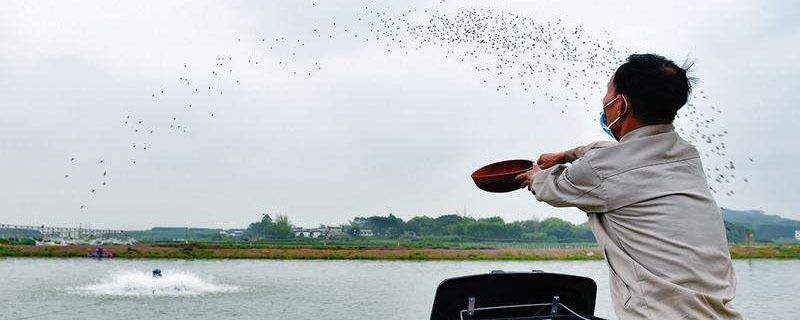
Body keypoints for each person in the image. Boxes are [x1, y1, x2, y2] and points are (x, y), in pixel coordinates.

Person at [515, 54, 742, 320]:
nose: (604, 102)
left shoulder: (602, 170)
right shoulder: (686, 157)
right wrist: (566, 154)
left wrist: (533, 175)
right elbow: (611, 158)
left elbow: (550, 186)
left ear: (620, 105)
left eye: (607, 94)